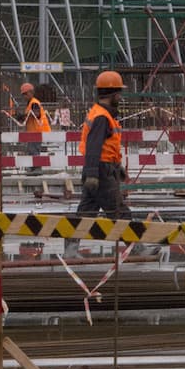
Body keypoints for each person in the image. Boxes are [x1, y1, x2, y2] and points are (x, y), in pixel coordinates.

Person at [65, 70, 131, 257]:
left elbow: (105, 147)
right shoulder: (102, 117)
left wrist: (118, 168)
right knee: (119, 211)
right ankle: (137, 246)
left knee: (86, 212)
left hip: (100, 168)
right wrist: (94, 174)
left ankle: (70, 249)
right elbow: (94, 147)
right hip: (101, 171)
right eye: (119, 92)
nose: (121, 96)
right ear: (113, 94)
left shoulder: (101, 114)